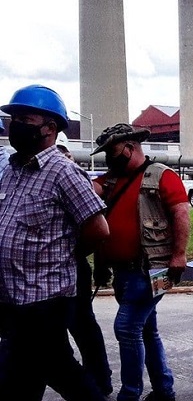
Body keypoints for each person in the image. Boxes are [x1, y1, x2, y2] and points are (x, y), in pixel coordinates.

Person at [0, 84, 110, 400]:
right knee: (30, 375)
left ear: (49, 128)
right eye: (14, 118)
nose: (15, 125)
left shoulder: (64, 172)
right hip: (13, 297)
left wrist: (62, 254)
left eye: (25, 119)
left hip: (44, 299)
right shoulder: (12, 170)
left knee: (52, 371)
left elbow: (98, 229)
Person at [92, 122, 190, 401]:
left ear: (130, 147)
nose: (108, 158)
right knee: (146, 330)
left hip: (155, 269)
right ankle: (164, 390)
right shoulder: (112, 180)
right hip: (124, 272)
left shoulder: (161, 175)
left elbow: (182, 213)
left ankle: (130, 394)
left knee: (126, 327)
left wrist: (179, 255)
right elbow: (90, 191)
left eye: (112, 151)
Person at [56, 132, 114, 396]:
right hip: (50, 271)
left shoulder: (73, 179)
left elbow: (98, 229)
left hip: (73, 265)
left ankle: (98, 381)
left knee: (83, 326)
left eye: (63, 152)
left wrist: (97, 263)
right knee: (61, 333)